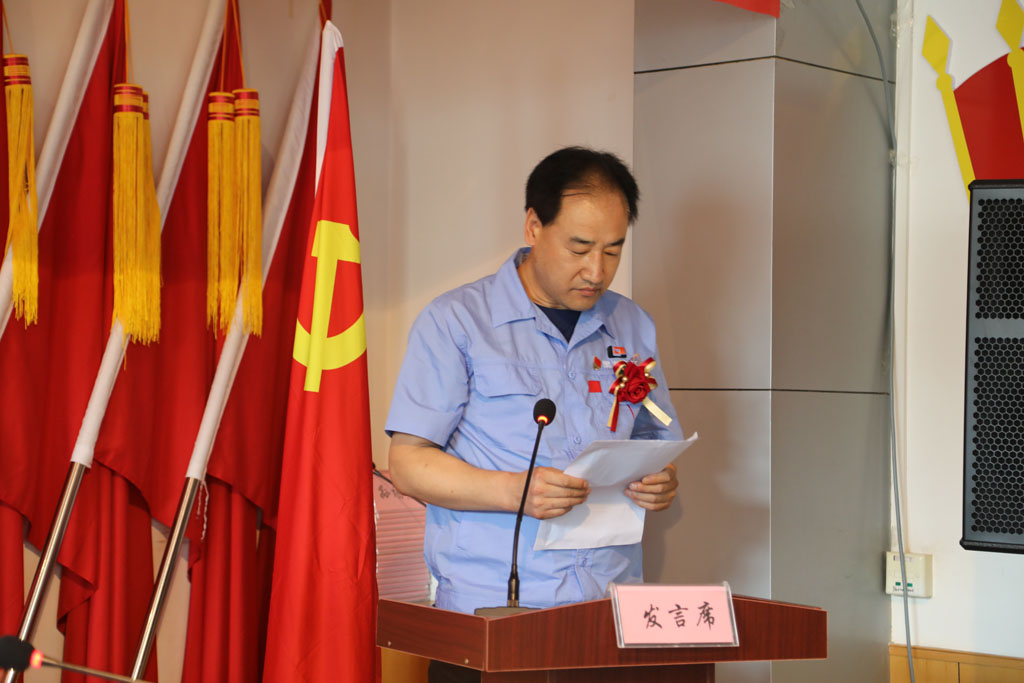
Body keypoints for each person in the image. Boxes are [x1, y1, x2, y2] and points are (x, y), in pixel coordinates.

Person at [385, 146, 683, 682]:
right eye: (579, 248)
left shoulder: (632, 326)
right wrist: (513, 491)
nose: (596, 271)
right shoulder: (457, 322)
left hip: (607, 614)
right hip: (490, 620)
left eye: (614, 250)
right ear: (533, 226)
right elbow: (408, 463)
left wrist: (660, 478)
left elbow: (656, 430)